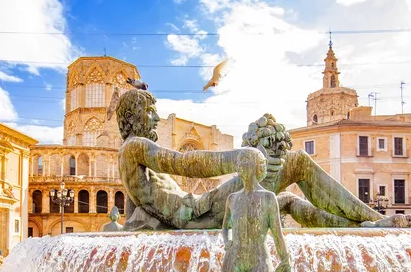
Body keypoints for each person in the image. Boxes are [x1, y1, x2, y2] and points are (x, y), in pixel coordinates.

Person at [115, 87, 384, 230]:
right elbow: (184, 163)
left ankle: (360, 224)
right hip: (200, 213)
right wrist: (240, 158)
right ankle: (373, 219)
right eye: (150, 111)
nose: (156, 118)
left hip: (201, 210)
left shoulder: (129, 155)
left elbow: (135, 210)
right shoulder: (136, 146)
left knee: (287, 201)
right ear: (131, 116)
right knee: (298, 161)